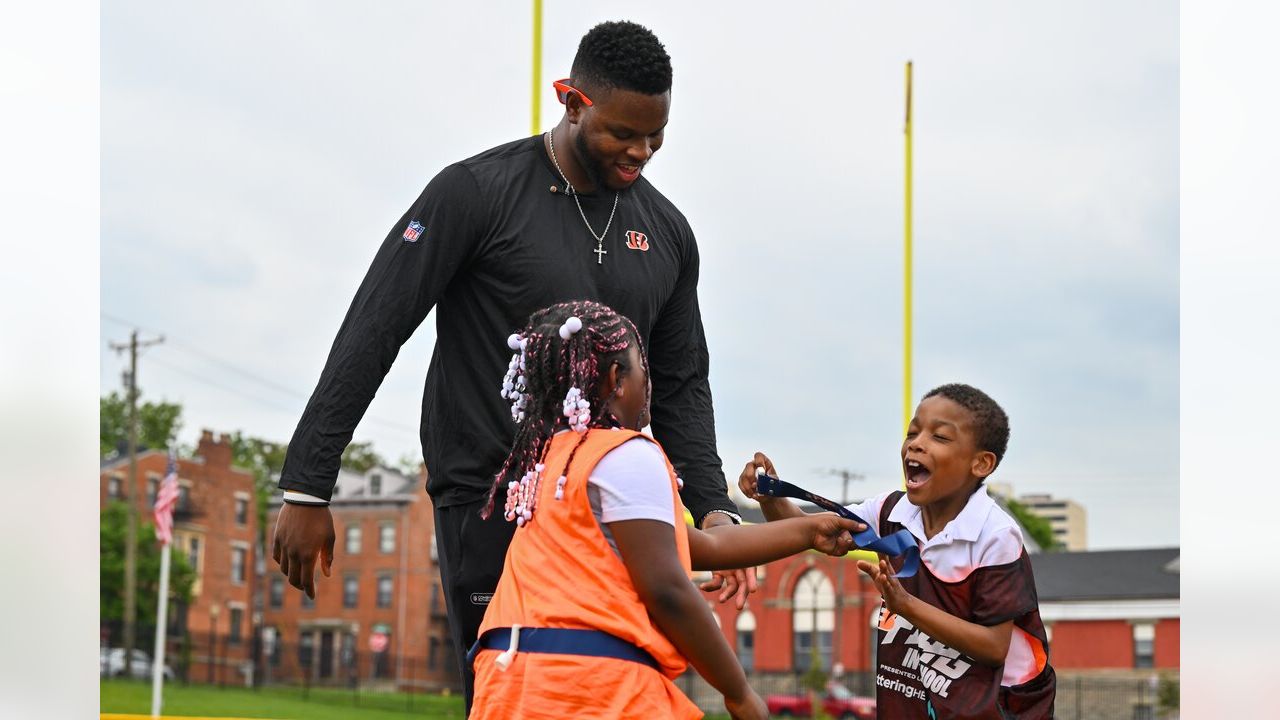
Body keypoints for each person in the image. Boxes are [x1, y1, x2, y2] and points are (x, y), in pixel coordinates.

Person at [268, 20, 754, 712]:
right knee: (514, 694)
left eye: (657, 136)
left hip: (609, 510)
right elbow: (375, 327)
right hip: (494, 500)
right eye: (623, 132)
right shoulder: (475, 193)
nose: (641, 152)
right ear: (572, 100)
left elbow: (681, 381)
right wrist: (308, 486)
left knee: (613, 690)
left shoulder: (669, 230)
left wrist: (710, 505)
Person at [468, 300, 866, 720]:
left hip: (509, 683)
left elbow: (702, 545)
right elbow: (667, 589)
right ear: (618, 379)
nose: (650, 381)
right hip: (590, 686)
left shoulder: (554, 460)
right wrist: (739, 693)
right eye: (643, 366)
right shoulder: (626, 455)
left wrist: (809, 530)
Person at [740, 384, 1057, 719]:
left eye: (940, 437)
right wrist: (772, 497)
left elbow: (994, 647)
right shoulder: (891, 511)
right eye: (913, 432)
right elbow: (809, 530)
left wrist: (905, 606)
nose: (916, 443)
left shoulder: (995, 534)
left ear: (980, 464)